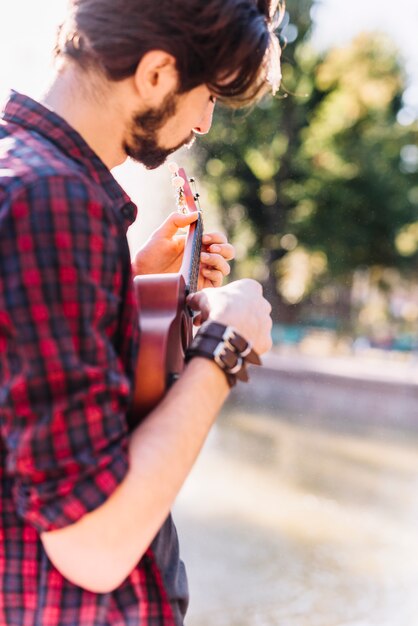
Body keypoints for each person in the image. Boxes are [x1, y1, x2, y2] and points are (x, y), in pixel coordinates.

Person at [0, 1, 282, 624]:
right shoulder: (52, 201)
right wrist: (225, 349)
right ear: (156, 74)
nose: (206, 122)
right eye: (208, 94)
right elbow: (92, 545)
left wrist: (126, 283)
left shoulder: (19, 171)